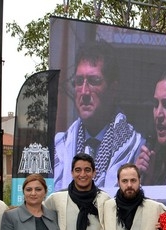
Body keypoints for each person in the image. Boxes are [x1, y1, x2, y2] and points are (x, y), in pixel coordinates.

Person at [54, 41, 145, 190]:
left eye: (93, 81)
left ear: (113, 89)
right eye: (78, 81)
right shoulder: (60, 147)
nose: (84, 92)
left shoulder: (136, 148)